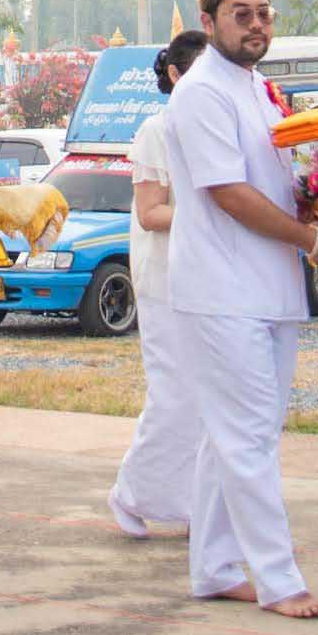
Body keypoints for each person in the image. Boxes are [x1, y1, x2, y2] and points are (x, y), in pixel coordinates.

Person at [152, 0, 318, 621]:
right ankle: (279, 579)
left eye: (263, 12)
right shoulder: (202, 92)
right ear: (208, 22)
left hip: (268, 287)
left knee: (232, 436)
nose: (256, 24)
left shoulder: (257, 89)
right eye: (241, 13)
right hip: (222, 289)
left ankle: (214, 567)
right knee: (247, 439)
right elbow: (228, 194)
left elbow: (281, 180)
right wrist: (315, 246)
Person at [105, 30, 206, 539]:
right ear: (175, 75)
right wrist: (211, 213)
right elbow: (150, 212)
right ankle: (131, 491)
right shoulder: (156, 130)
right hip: (164, 277)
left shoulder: (213, 126)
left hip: (211, 277)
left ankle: (192, 501)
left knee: (208, 396)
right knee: (174, 394)